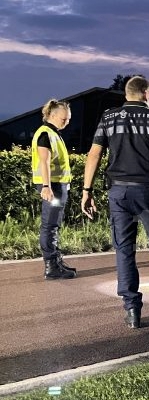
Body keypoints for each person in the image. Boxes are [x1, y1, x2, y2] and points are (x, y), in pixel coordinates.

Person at [81, 76, 149, 329]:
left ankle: (132, 311)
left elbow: (94, 154)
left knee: (124, 251)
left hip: (119, 194)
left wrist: (86, 190)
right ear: (145, 93)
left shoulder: (108, 117)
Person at [32, 99, 76, 280]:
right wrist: (46, 186)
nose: (66, 122)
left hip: (56, 185)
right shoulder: (45, 134)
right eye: (64, 119)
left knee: (53, 224)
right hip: (53, 186)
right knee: (50, 225)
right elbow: (44, 161)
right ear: (52, 115)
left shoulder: (52, 133)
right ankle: (51, 266)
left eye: (68, 120)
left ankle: (55, 261)